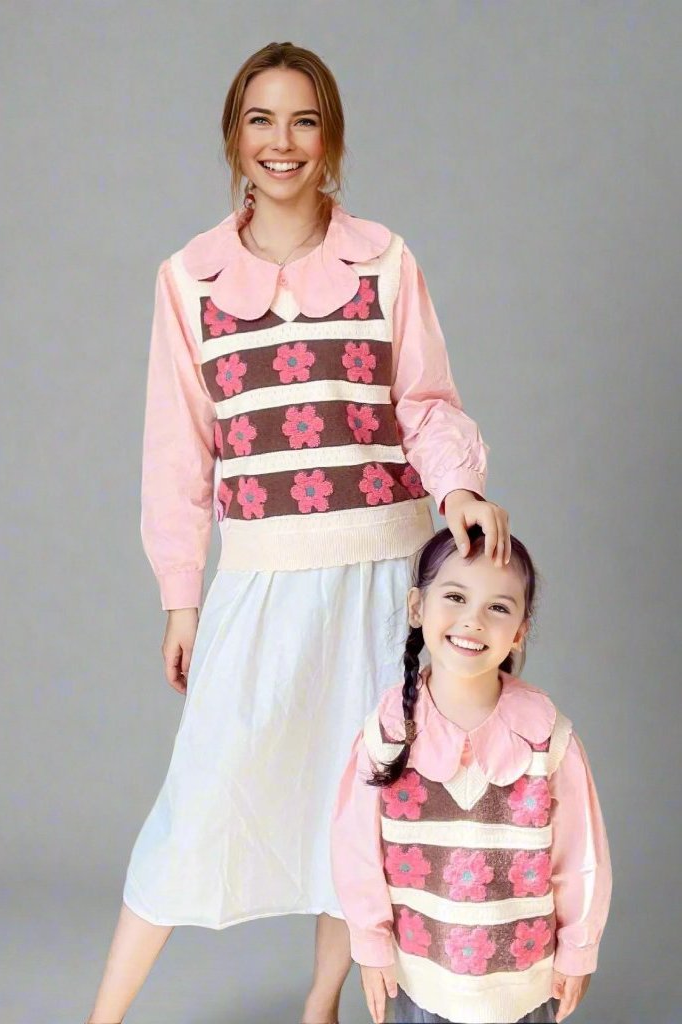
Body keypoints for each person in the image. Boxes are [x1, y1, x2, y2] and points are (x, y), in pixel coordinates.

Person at [87, 41, 511, 1024]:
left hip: (382, 574)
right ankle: (101, 1015)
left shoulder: (384, 260)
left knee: (359, 792)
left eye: (304, 120)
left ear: (331, 141)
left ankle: (321, 1003)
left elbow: (427, 400)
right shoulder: (187, 280)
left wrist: (455, 492)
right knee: (202, 793)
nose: (283, 142)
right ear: (235, 138)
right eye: (262, 120)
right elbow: (176, 455)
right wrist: (181, 596)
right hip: (265, 579)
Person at [330, 525, 612, 1024]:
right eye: (455, 596)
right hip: (419, 975)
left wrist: (577, 950)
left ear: (521, 629)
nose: (473, 621)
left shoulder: (549, 739)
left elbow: (581, 857)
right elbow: (356, 851)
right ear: (418, 607)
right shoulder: (388, 730)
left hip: (522, 981)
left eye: (498, 608)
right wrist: (370, 944)